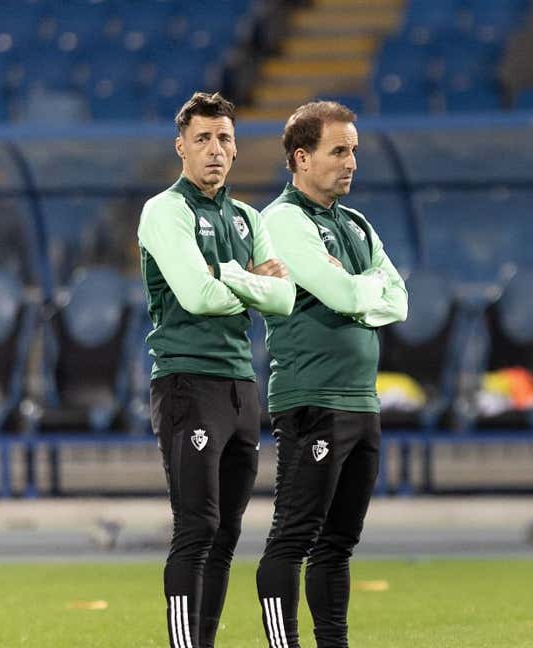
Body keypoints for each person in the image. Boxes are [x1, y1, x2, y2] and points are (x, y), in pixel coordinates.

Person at [137, 91, 295, 648]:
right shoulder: (165, 210)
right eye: (202, 139)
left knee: (227, 532)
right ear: (181, 147)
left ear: (235, 148)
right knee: (196, 527)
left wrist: (227, 275)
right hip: (186, 382)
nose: (214, 149)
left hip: (239, 388)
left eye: (224, 138)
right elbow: (197, 296)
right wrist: (250, 279)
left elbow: (284, 298)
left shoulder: (248, 217)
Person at [256, 100, 407, 648]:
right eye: (338, 151)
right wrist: (362, 292)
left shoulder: (357, 224)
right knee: (293, 536)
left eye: (354, 151)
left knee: (338, 543)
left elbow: (401, 301)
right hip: (311, 398)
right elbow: (351, 292)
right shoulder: (282, 221)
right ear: (301, 158)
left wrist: (356, 294)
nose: (351, 163)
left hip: (362, 403)